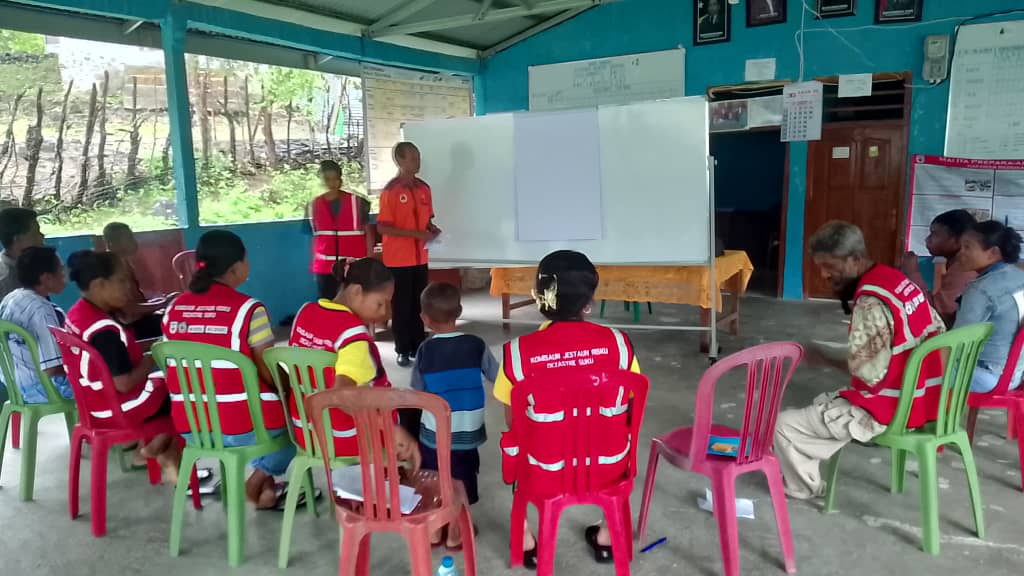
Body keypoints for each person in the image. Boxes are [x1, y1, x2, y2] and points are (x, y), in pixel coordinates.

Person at [773, 221, 945, 500]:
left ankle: (803, 488)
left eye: (830, 266)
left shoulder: (870, 303)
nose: (824, 274)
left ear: (854, 259)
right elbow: (937, 330)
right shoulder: (897, 281)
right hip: (927, 397)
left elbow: (869, 374)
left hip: (894, 407)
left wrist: (826, 359)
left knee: (784, 426)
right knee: (822, 410)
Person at [494, 250, 641, 569]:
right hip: (608, 467)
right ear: (588, 303)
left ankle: (525, 538)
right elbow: (629, 408)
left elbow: (514, 423)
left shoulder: (517, 354)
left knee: (516, 446)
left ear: (540, 299)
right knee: (617, 440)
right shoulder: (619, 345)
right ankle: (606, 536)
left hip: (544, 471)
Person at [162, 230, 295, 509]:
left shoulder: (173, 309)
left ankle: (267, 490)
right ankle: (256, 482)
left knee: (254, 402)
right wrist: (291, 390)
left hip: (193, 427)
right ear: (236, 268)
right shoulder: (249, 310)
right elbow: (268, 370)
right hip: (241, 428)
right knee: (297, 422)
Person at [64, 250, 181, 476]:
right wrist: (156, 353)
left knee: (174, 385)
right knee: (189, 392)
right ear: (99, 285)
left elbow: (119, 356)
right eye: (121, 281)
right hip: (119, 407)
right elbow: (124, 383)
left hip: (93, 402)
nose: (128, 288)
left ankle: (157, 451)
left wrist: (154, 345)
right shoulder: (103, 330)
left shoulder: (78, 313)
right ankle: (163, 457)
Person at [405, 282, 498, 549]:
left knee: (434, 476)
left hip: (434, 433)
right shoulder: (476, 345)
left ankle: (435, 530)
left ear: (424, 318)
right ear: (459, 311)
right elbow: (497, 377)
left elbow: (417, 391)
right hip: (467, 432)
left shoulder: (425, 350)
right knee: (462, 479)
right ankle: (456, 531)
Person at [287, 257, 394, 457]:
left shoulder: (305, 312)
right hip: (347, 437)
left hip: (305, 431)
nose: (386, 313)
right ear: (356, 291)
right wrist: (393, 430)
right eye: (381, 303)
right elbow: (342, 395)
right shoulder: (353, 336)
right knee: (406, 422)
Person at [377, 141, 440, 367]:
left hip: (420, 256)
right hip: (398, 259)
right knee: (402, 306)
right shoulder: (391, 191)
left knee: (419, 303)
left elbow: (427, 219)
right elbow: (382, 227)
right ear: (400, 160)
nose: (417, 162)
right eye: (412, 158)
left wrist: (431, 229)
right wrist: (415, 233)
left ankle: (418, 345)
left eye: (418, 157)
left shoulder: (424, 188)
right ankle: (402, 349)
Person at [952, 220, 1024, 393]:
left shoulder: (981, 289)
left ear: (993, 253)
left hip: (985, 375)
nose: (960, 253)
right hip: (1015, 373)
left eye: (967, 247)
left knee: (914, 370)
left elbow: (957, 341)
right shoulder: (1019, 277)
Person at [0, 246, 72, 404]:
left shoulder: (10, 299)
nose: (64, 274)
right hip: (43, 389)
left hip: (15, 387)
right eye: (60, 269)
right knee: (99, 384)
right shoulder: (42, 310)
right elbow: (52, 368)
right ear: (46, 278)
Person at [307, 160, 375, 300]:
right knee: (328, 304)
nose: (331, 183)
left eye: (334, 179)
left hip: (353, 266)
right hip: (325, 269)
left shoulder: (358, 202)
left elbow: (369, 233)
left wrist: (369, 261)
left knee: (354, 303)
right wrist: (315, 267)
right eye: (327, 179)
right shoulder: (313, 205)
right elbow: (315, 238)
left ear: (340, 179)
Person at [102, 222, 178, 340]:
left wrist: (160, 301)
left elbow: (136, 301)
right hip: (132, 328)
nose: (134, 242)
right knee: (179, 322)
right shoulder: (112, 269)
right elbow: (128, 309)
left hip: (139, 320)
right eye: (128, 238)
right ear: (112, 243)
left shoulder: (122, 262)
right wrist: (162, 304)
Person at [902, 209, 977, 326]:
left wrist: (912, 272)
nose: (927, 240)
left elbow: (936, 314)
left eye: (934, 234)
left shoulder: (963, 269)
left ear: (957, 240)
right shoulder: (957, 264)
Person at [0, 207, 45, 301]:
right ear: (17, 240)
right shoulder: (4, 279)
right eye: (35, 233)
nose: (42, 236)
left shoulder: (34, 267)